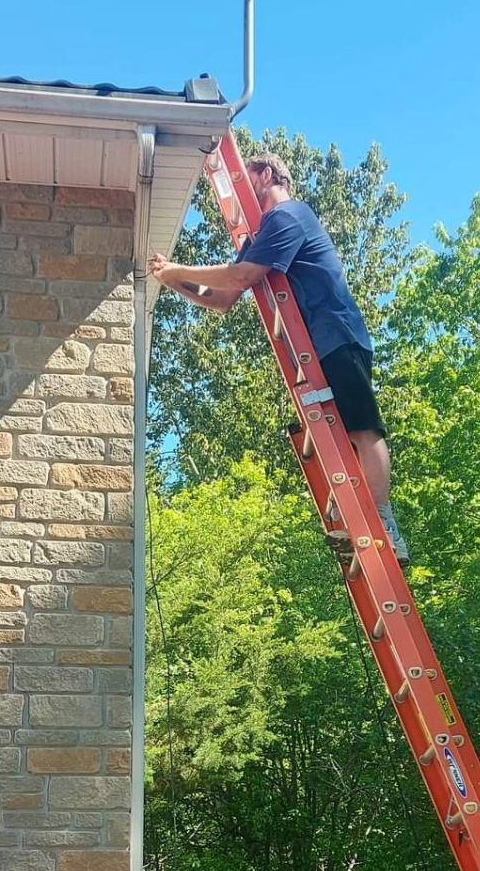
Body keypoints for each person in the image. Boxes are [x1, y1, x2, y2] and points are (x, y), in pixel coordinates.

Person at [148, 151, 411, 565]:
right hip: (317, 344)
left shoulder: (289, 216)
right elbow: (221, 299)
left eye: (249, 179)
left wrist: (180, 267)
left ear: (267, 174)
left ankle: (382, 522)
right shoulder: (263, 237)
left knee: (362, 430)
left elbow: (241, 277)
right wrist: (174, 280)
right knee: (343, 436)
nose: (245, 194)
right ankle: (363, 520)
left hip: (338, 335)